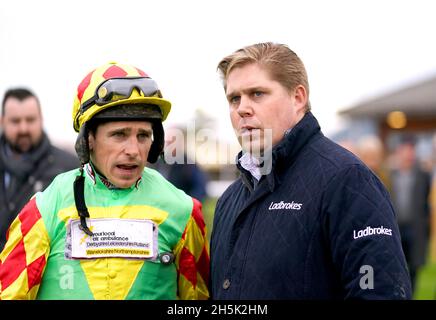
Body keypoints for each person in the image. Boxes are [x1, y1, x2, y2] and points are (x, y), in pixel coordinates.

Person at [210, 42, 411, 299]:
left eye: (257, 93)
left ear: (298, 98)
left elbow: (379, 291)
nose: (242, 108)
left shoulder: (348, 180)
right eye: (234, 98)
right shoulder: (230, 199)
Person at [0, 62, 209, 300]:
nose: (133, 150)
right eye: (119, 134)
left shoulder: (184, 211)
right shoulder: (44, 208)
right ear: (88, 139)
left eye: (143, 135)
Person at [0, 88, 79, 251]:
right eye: (15, 121)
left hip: (45, 272)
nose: (23, 129)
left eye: (30, 120)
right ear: (2, 122)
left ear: (41, 119)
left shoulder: (68, 169)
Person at [389, 135, 431, 290]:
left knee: (414, 267)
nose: (408, 154)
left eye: (410, 150)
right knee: (397, 264)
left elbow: (425, 203)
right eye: (404, 150)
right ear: (399, 152)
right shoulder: (391, 175)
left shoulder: (423, 175)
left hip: (415, 229)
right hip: (396, 227)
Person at [151, 126, 208, 203]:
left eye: (172, 141)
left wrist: (186, 205)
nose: (169, 144)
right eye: (168, 141)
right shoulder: (158, 162)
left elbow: (200, 189)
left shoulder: (188, 164)